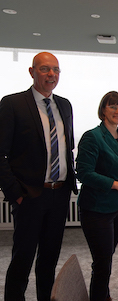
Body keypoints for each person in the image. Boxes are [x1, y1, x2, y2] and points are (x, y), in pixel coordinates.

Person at [0, 52, 77, 300]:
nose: (51, 74)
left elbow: (67, 147)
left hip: (59, 195)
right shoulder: (12, 104)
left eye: (55, 70)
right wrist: (15, 194)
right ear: (32, 71)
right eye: (45, 69)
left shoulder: (64, 105)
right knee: (22, 260)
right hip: (29, 196)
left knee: (49, 260)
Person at [76, 91, 118, 301]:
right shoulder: (92, 136)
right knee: (102, 261)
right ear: (103, 109)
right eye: (113, 106)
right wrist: (115, 185)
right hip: (97, 209)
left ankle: (104, 295)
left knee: (107, 258)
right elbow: (84, 173)